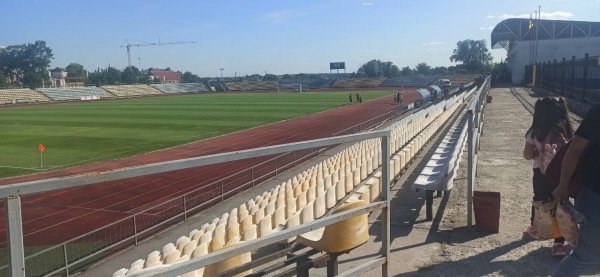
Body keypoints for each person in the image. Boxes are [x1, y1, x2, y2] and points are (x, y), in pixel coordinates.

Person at [552, 105, 600, 276]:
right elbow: (575, 149)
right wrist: (563, 184)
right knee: (589, 256)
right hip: (595, 195)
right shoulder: (597, 112)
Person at [523, 97, 574, 256]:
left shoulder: (535, 131)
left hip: (541, 173)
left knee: (540, 200)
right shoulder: (566, 130)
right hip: (561, 174)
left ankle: (537, 228)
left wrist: (538, 152)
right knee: (560, 204)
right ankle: (559, 243)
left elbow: (527, 155)